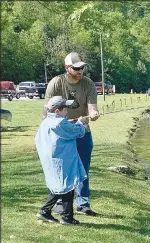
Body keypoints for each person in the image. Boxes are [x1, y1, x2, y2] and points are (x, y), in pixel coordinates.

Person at [43, 52, 100, 216]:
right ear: (67, 68)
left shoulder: (88, 84)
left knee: (83, 168)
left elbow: (92, 107)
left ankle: (83, 204)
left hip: (82, 132)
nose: (80, 71)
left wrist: (94, 114)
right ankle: (60, 204)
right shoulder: (56, 83)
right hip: (61, 133)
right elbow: (46, 112)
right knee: (62, 169)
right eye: (76, 68)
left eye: (82, 68)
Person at [35, 96, 88, 225]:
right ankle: (66, 217)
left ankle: (46, 212)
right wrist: (81, 124)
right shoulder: (59, 123)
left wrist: (70, 123)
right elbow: (77, 132)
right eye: (65, 109)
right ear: (57, 111)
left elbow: (64, 129)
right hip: (63, 160)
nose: (67, 111)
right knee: (67, 186)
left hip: (51, 160)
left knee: (58, 186)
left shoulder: (47, 121)